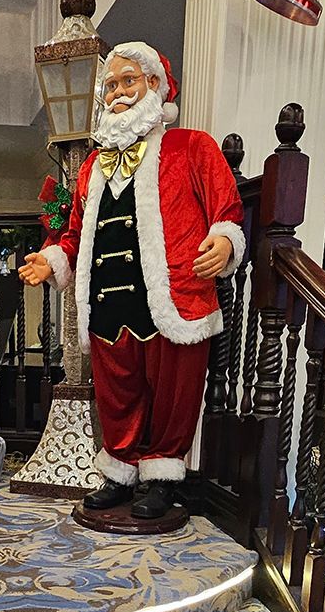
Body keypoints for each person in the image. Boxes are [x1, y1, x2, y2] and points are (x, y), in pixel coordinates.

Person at [19, 43, 245, 520]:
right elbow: (76, 235)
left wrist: (225, 242)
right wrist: (52, 261)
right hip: (108, 304)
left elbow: (227, 209)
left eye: (128, 81)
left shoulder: (192, 147)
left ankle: (161, 478)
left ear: (155, 87)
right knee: (117, 393)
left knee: (173, 396)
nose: (118, 92)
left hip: (173, 300)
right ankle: (120, 472)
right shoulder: (90, 169)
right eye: (111, 85)